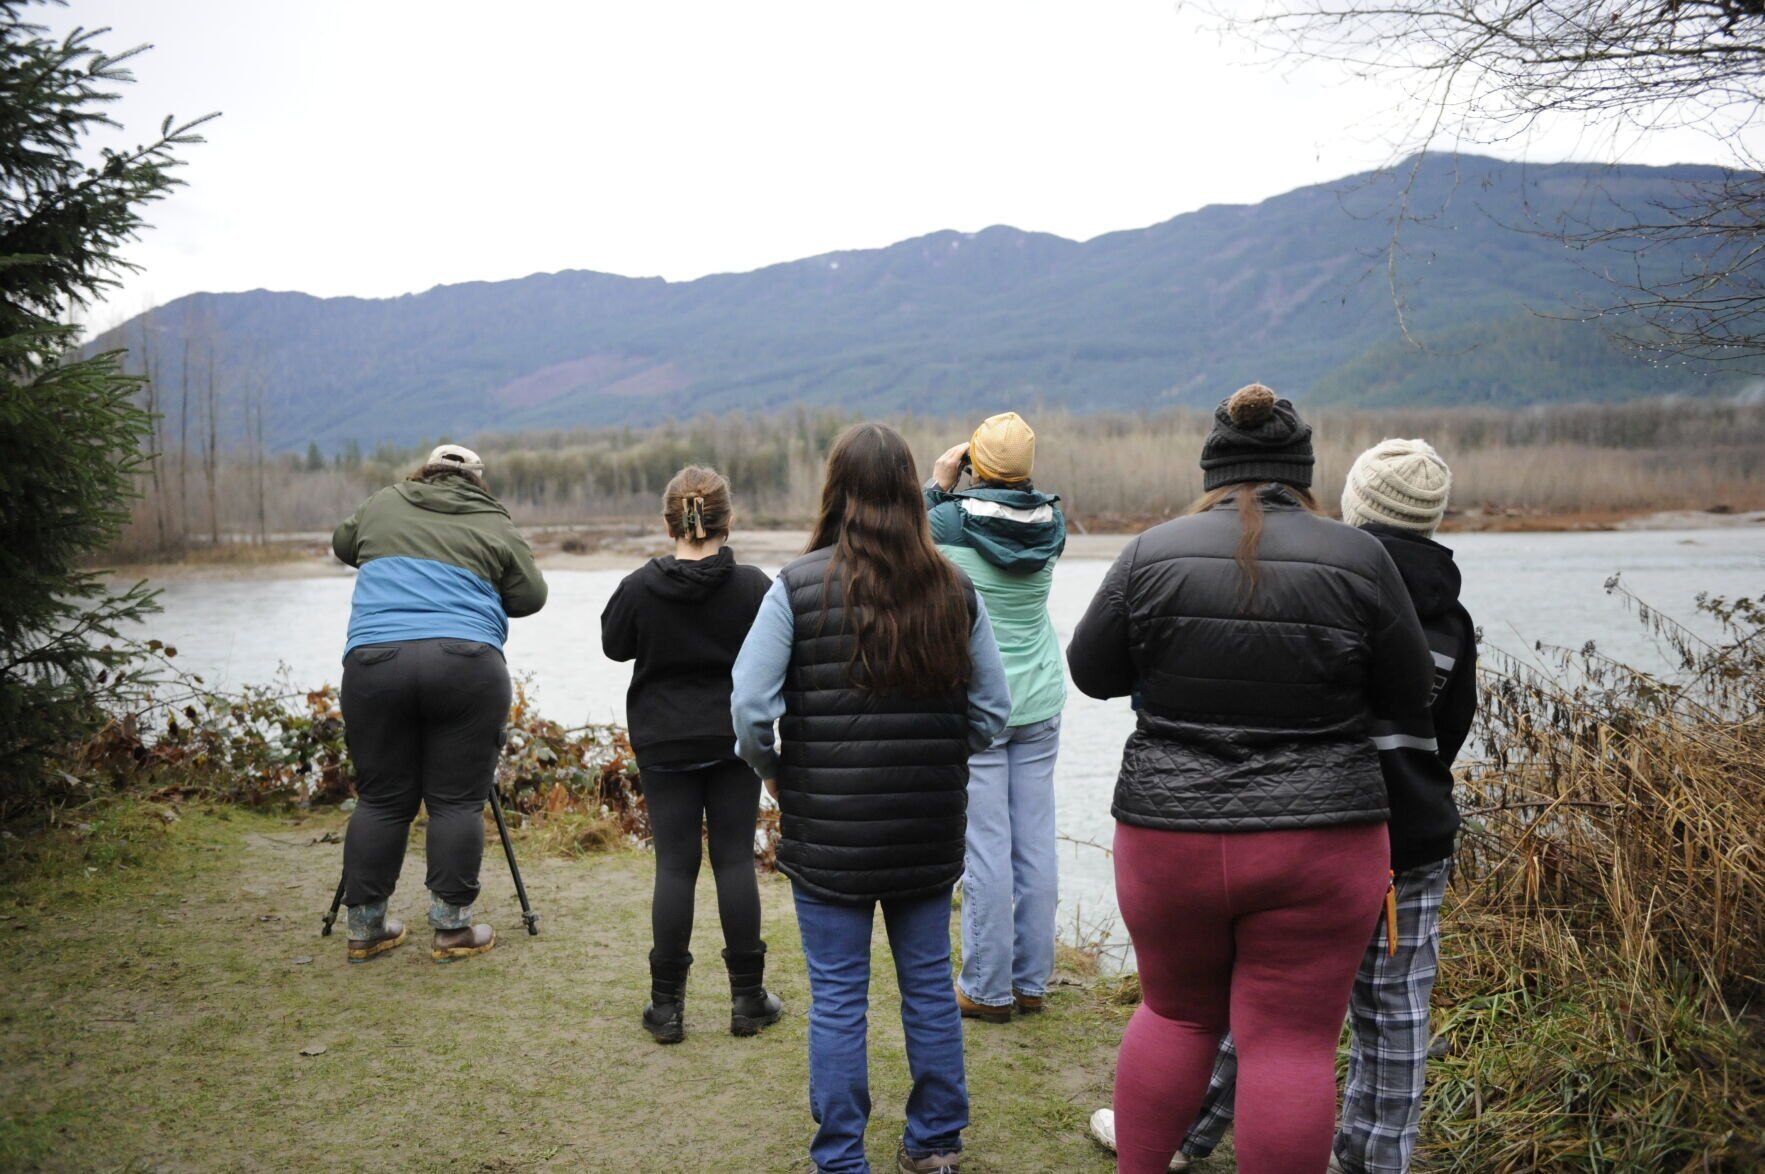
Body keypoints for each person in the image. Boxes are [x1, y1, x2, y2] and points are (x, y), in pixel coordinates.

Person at [1067, 386, 1434, 1174]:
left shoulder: (1150, 551)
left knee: (1172, 1015)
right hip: (1321, 839)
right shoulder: (1360, 557)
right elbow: (1409, 697)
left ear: (1213, 468)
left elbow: (1090, 671)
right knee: (1290, 1044)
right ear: (1301, 471)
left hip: (1169, 834)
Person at [1174, 438, 1477, 1174]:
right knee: (1396, 1015)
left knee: (1270, 996)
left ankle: (1184, 1135)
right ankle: (1372, 1162)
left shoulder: (1322, 584)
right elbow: (1447, 735)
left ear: (1355, 504)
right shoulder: (1452, 619)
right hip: (1409, 835)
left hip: (1315, 826)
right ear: (1432, 515)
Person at [731, 422, 1011, 1174]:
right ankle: (933, 1144)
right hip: (927, 824)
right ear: (909, 494)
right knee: (926, 986)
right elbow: (992, 713)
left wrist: (776, 773)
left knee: (837, 999)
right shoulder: (954, 588)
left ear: (837, 491)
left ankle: (840, 1157)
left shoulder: (796, 587)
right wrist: (936, 760)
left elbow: (750, 709)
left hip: (827, 829)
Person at [331, 444, 548, 964]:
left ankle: (365, 928)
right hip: (465, 664)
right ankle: (452, 929)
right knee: (455, 800)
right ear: (478, 481)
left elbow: (344, 544)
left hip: (375, 663)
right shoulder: (493, 521)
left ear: (423, 472)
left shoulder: (384, 501)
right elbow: (531, 596)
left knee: (381, 799)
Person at [600, 466, 780, 1044]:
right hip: (732, 740)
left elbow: (613, 645)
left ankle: (666, 1007)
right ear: (729, 519)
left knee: (674, 866)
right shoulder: (754, 586)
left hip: (663, 742)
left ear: (668, 522)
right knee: (733, 860)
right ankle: (748, 999)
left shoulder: (638, 587)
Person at [924, 412, 1066, 1023]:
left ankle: (986, 987)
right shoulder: (1052, 522)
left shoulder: (947, 520)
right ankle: (1032, 981)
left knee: (985, 847)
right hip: (1039, 696)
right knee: (1035, 843)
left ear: (973, 465)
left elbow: (904, 539)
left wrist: (937, 482)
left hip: (977, 698)